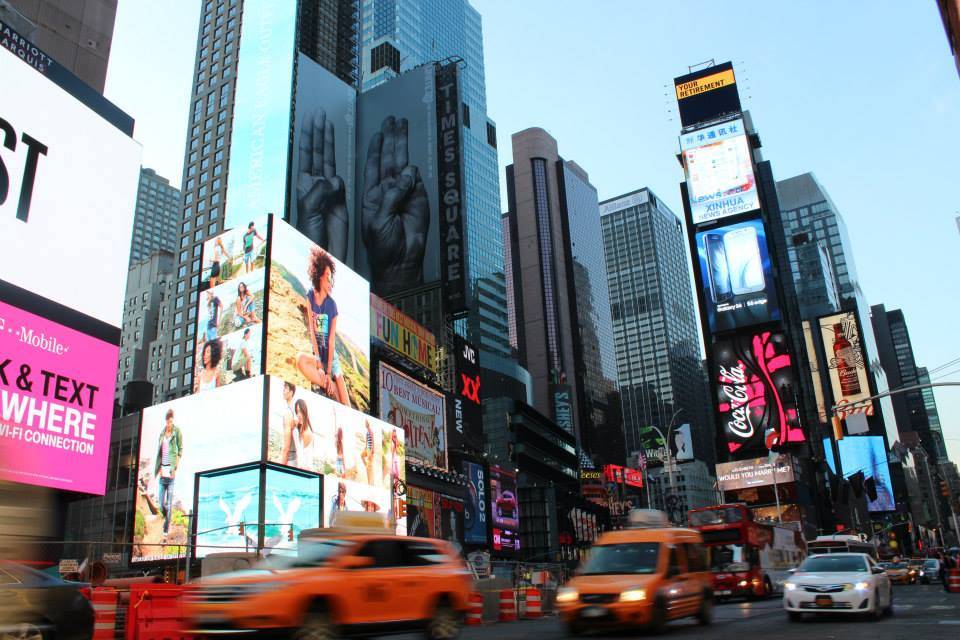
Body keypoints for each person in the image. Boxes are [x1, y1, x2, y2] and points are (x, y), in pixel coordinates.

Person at [295, 247, 350, 407]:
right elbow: (312, 331)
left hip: (332, 358)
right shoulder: (310, 296)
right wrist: (319, 363)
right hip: (319, 355)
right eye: (327, 277)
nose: (329, 281)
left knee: (346, 405)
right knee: (300, 360)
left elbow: (331, 340)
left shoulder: (332, 306)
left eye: (331, 277)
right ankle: (329, 386)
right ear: (318, 276)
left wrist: (327, 371)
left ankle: (333, 386)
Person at [154, 409, 182, 544]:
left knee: (170, 505)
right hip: (162, 475)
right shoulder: (161, 434)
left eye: (171, 421)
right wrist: (159, 468)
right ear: (166, 421)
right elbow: (159, 453)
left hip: (171, 475)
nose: (170, 423)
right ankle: (166, 518)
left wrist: (175, 467)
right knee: (161, 504)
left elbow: (180, 449)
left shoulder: (177, 432)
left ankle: (165, 533)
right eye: (168, 421)